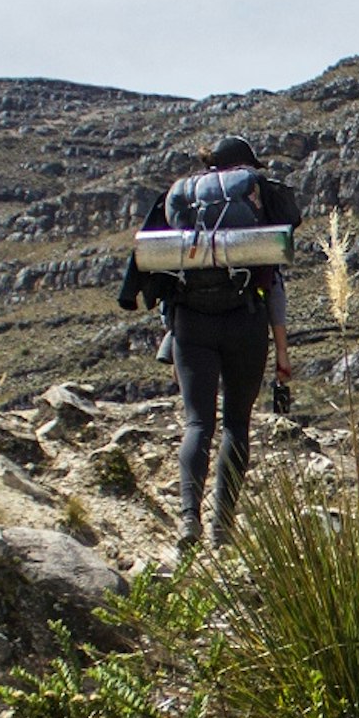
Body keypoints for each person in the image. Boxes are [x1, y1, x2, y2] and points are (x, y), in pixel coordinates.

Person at [117, 131, 300, 549]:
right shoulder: (255, 198)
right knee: (236, 424)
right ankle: (223, 528)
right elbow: (272, 285)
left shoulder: (180, 198)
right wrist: (283, 355)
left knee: (198, 423)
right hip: (245, 323)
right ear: (244, 167)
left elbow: (155, 268)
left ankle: (188, 521)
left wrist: (171, 330)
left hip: (190, 326)